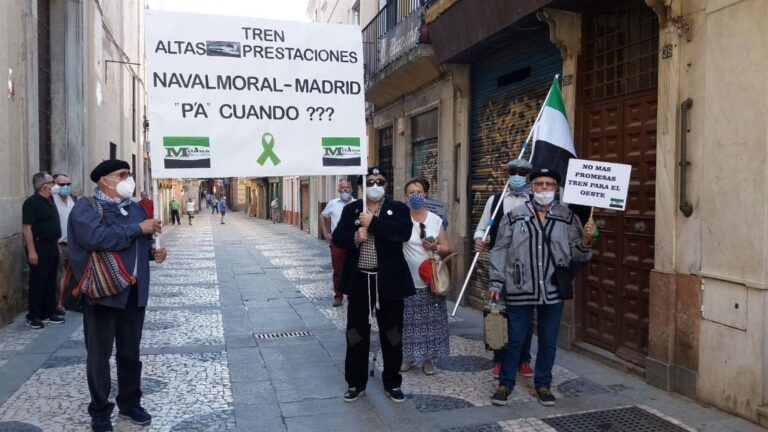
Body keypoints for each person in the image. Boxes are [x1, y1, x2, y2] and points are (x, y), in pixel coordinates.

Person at [69, 159, 166, 432]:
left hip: (134, 293)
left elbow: (141, 243)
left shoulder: (134, 209)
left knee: (130, 353)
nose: (128, 179)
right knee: (99, 356)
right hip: (103, 294)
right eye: (122, 175)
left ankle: (130, 403)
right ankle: (100, 412)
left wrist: (153, 252)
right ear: (104, 180)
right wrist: (138, 229)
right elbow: (96, 238)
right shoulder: (86, 208)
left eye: (128, 174)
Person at [488, 168, 595, 407]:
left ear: (556, 188)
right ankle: (506, 383)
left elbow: (578, 253)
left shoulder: (567, 217)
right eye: (539, 184)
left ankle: (543, 384)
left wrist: (587, 241)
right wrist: (496, 281)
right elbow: (500, 249)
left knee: (548, 340)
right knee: (515, 339)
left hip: (552, 290)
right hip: (519, 287)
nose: (544, 189)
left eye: (549, 184)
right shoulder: (514, 216)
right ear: (531, 187)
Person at [332, 167, 414, 404]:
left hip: (389, 284)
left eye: (380, 181)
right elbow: (338, 238)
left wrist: (374, 223)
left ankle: (392, 382)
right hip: (360, 282)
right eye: (371, 181)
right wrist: (357, 235)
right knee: (356, 335)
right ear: (362, 186)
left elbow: (403, 233)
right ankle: (355, 383)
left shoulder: (398, 209)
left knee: (393, 335)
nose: (376, 185)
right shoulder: (351, 210)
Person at [473, 159, 535, 379]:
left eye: (522, 172)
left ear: (529, 175)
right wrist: (480, 239)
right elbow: (482, 227)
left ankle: (523, 359)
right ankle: (499, 359)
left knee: (526, 317)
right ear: (507, 173)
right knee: (498, 314)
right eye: (513, 171)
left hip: (529, 269)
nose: (517, 175)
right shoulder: (495, 201)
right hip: (501, 267)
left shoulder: (535, 200)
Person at [400, 179, 451, 375]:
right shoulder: (402, 219)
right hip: (407, 280)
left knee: (431, 322)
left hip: (431, 280)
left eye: (419, 191)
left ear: (426, 194)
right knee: (407, 322)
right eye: (411, 192)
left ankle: (428, 360)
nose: (415, 195)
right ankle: (407, 357)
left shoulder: (436, 220)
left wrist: (436, 247)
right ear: (406, 197)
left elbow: (447, 248)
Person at [21, 172, 64, 329]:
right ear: (43, 186)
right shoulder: (31, 203)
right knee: (38, 281)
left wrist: (56, 244)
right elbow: (27, 228)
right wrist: (32, 251)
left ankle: (48, 311)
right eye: (52, 182)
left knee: (50, 279)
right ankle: (33, 315)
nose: (55, 185)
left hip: (52, 245)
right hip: (39, 245)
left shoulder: (50, 200)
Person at [321, 179, 355, 307]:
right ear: (338, 190)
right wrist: (326, 233)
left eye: (347, 188)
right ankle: (338, 296)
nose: (345, 190)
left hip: (354, 242)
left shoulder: (357, 203)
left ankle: (353, 294)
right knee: (338, 270)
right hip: (338, 242)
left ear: (351, 189)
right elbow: (322, 216)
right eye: (342, 188)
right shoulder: (333, 203)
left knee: (354, 269)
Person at [52, 173, 75, 316]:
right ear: (55, 186)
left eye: (67, 184)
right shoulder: (52, 201)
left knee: (72, 275)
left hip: (72, 244)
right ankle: (57, 304)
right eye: (61, 185)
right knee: (58, 276)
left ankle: (69, 301)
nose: (65, 187)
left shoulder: (72, 200)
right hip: (59, 245)